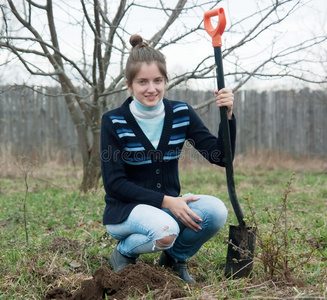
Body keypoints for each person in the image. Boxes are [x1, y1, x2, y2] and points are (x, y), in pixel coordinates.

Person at [100, 34, 236, 283]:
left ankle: (174, 259)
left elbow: (222, 157)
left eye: (157, 80)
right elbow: (115, 184)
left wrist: (227, 117)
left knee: (215, 212)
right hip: (124, 212)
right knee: (167, 230)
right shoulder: (114, 121)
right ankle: (123, 253)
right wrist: (167, 201)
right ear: (129, 85)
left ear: (165, 81)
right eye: (142, 82)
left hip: (167, 206)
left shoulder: (181, 113)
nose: (151, 88)